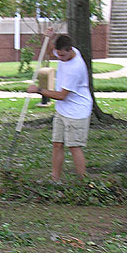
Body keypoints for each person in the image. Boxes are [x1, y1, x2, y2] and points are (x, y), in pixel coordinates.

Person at [26, 29, 93, 183]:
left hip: (77, 111)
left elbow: (62, 96)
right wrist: (48, 39)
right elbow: (49, 53)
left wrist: (39, 90)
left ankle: (83, 183)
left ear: (70, 50)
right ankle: (55, 180)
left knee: (74, 146)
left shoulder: (75, 69)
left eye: (62, 55)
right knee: (57, 144)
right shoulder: (65, 51)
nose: (60, 58)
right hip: (62, 111)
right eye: (59, 54)